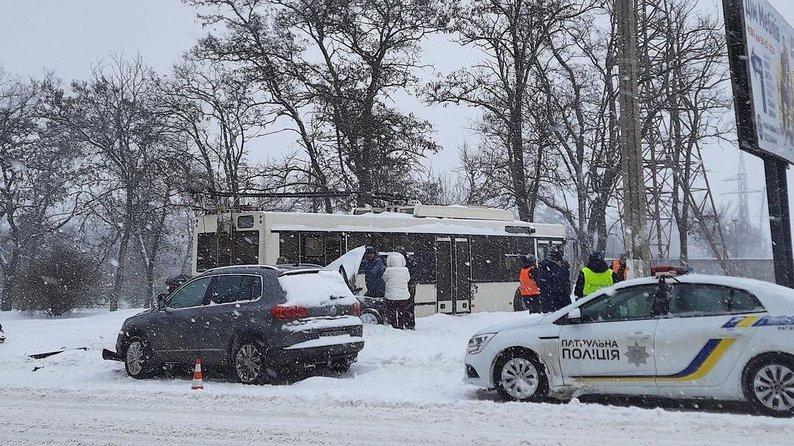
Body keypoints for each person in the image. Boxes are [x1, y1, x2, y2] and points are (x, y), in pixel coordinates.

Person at [536, 247, 572, 312]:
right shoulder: (545, 266)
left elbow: (566, 280)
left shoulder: (564, 265)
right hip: (550, 299)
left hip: (560, 298)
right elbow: (542, 282)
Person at [382, 252, 411, 329]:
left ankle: (394, 325)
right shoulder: (405, 270)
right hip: (403, 296)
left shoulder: (388, 270)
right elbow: (408, 279)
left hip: (391, 295)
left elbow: (384, 279)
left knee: (392, 311)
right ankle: (401, 325)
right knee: (401, 312)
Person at [395, 246, 416, 329]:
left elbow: (409, 276)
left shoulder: (405, 262)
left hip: (408, 285)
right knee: (408, 305)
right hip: (409, 285)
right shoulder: (409, 260)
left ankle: (408, 323)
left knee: (407, 305)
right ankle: (409, 323)